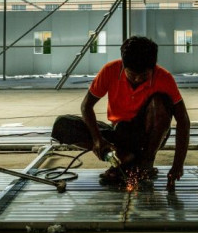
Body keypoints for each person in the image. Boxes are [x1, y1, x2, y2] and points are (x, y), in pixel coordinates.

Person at [78, 35, 190, 191]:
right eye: (132, 74)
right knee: (63, 126)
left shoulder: (164, 78)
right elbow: (86, 106)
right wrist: (97, 139)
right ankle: (126, 159)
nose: (137, 79)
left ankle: (145, 162)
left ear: (153, 67)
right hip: (119, 134)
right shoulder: (110, 70)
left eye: (143, 76)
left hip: (148, 136)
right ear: (123, 65)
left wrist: (178, 165)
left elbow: (183, 121)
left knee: (160, 101)